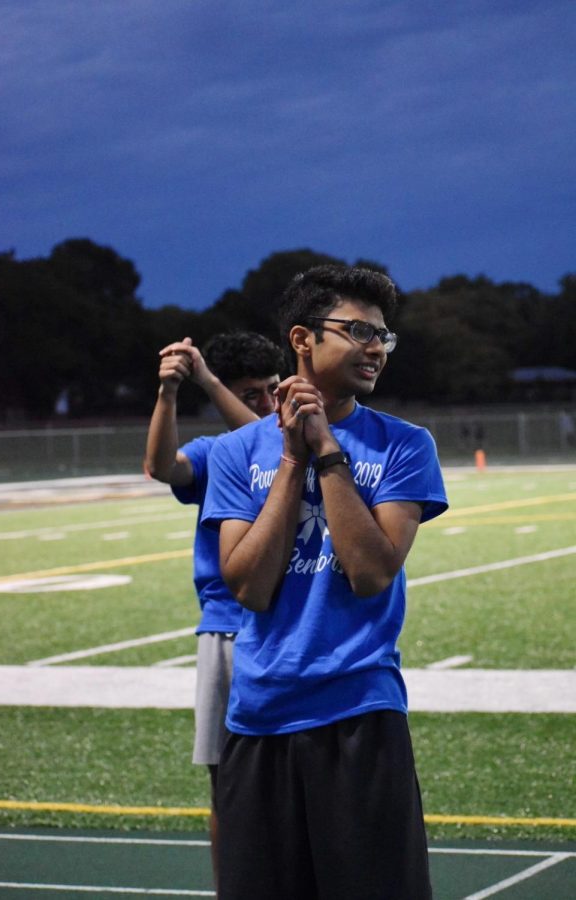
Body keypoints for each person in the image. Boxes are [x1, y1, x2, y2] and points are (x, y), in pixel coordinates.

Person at [202, 266, 448, 900]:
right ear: (303, 339)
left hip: (360, 715)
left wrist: (328, 449)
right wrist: (291, 457)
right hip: (258, 719)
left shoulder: (405, 445)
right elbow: (250, 589)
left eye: (384, 336)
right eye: (359, 330)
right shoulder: (237, 453)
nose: (376, 347)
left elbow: (370, 572)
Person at [144, 331, 284, 885]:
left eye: (273, 388)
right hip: (227, 630)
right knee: (227, 787)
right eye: (253, 394)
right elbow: (161, 466)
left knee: (293, 779)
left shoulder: (286, 440)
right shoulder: (215, 454)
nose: (269, 403)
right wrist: (169, 393)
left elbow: (266, 435)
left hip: (285, 625)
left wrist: (208, 380)